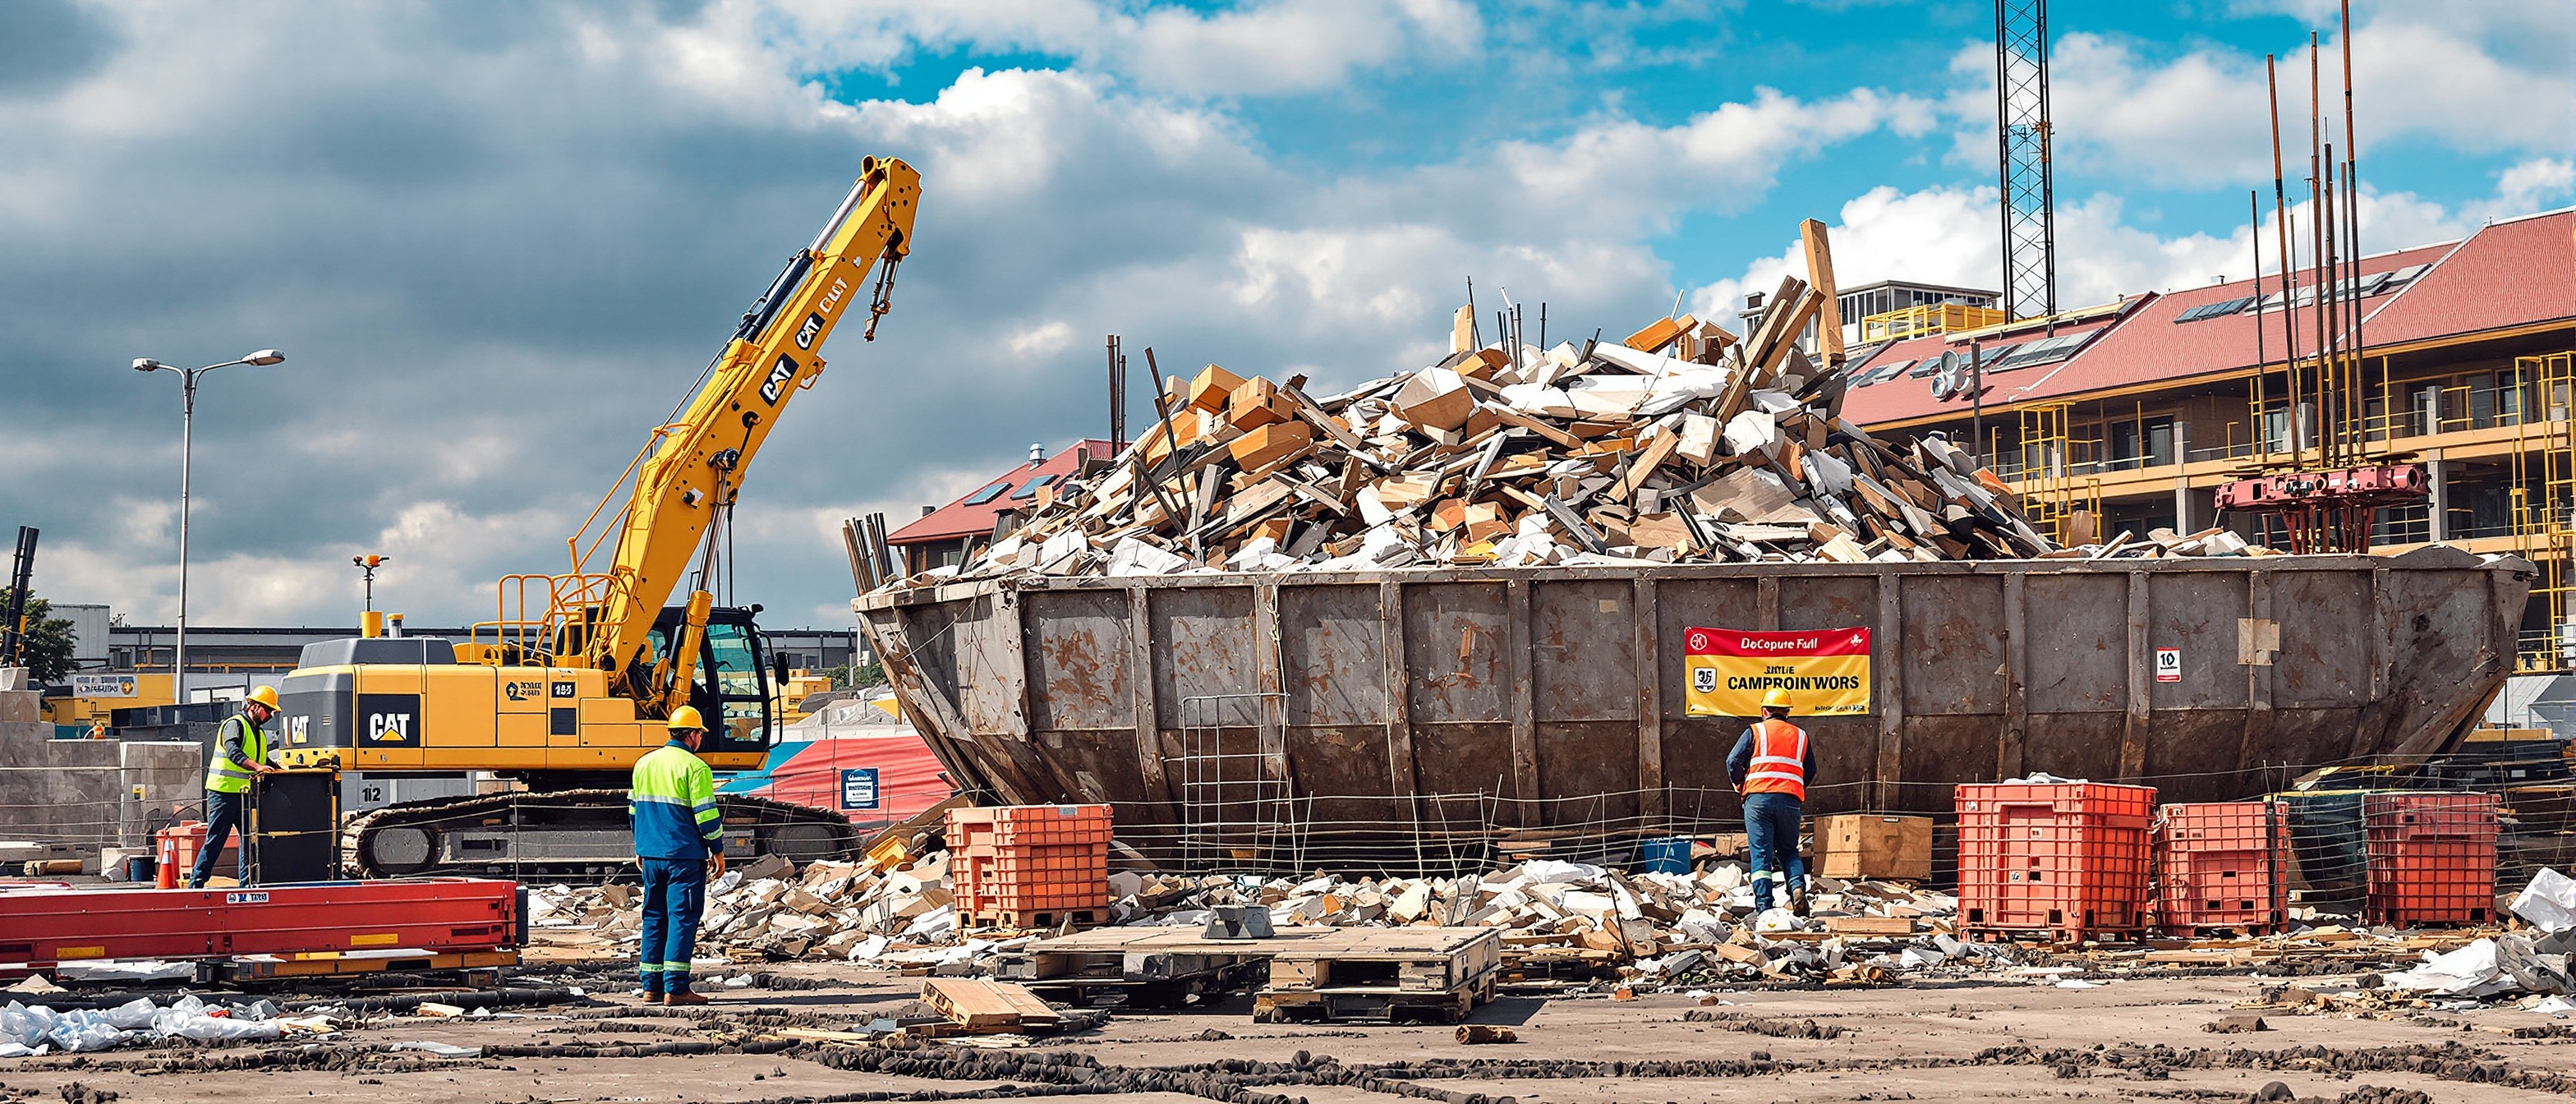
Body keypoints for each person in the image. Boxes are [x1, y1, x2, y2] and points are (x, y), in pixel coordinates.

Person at [630, 706, 726, 1006]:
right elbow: (706, 816)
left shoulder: (643, 764)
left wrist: (640, 847)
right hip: (683, 857)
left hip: (651, 855)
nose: (701, 739)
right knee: (682, 919)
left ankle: (651, 987)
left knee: (654, 918)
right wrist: (718, 851)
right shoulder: (695, 768)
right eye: (700, 734)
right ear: (693, 735)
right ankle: (677, 988)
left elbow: (634, 812)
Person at [1727, 688, 1817, 916]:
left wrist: (1740, 783)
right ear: (1787, 712)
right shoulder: (1801, 736)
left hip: (1758, 800)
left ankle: (1765, 907)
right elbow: (1811, 770)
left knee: (1761, 855)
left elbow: (1732, 761)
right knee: (1789, 851)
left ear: (1764, 710)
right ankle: (1797, 889)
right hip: (1790, 801)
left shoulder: (1755, 731)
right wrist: (1793, 787)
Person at [188, 686, 283, 888]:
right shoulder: (235, 724)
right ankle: (196, 884)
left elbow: (260, 757)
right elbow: (234, 753)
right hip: (223, 794)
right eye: (269, 711)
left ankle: (246, 885)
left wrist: (277, 769)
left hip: (244, 795)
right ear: (256, 707)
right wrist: (258, 767)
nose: (271, 716)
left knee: (250, 842)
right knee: (215, 841)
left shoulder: (259, 733)